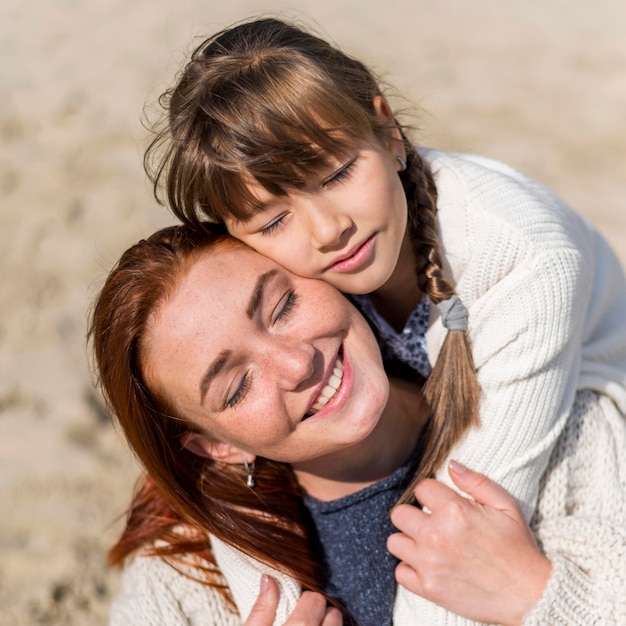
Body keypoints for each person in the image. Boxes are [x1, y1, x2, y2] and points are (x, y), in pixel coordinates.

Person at [91, 225, 626, 626]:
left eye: (282, 306)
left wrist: (538, 594)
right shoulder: (183, 577)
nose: (298, 364)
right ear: (217, 446)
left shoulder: (564, 424)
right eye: (237, 385)